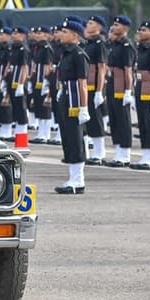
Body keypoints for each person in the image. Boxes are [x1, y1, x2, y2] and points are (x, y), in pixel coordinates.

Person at [54, 20, 90, 194]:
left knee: (75, 139)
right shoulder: (65, 53)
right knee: (67, 138)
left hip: (75, 102)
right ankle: (72, 177)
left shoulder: (78, 54)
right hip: (66, 98)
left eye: (65, 31)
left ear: (75, 35)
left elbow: (82, 84)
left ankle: (78, 180)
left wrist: (84, 108)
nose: (61, 34)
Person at [104, 16, 136, 167]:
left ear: (125, 28)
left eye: (117, 25)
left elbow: (128, 71)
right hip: (112, 83)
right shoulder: (114, 45)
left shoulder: (126, 46)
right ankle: (118, 152)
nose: (114, 27)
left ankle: (125, 154)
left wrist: (128, 91)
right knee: (114, 118)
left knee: (123, 119)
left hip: (121, 84)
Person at [130, 21, 150, 169]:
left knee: (149, 121)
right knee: (142, 121)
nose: (140, 32)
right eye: (139, 30)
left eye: (144, 30)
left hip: (148, 89)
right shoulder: (140, 49)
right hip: (140, 87)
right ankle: (146, 154)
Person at [83, 16, 109, 165]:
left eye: (91, 23)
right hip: (87, 85)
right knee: (90, 120)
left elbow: (102, 68)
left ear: (99, 26)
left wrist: (100, 91)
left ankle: (99, 152)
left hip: (95, 87)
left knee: (97, 119)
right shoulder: (89, 43)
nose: (88, 24)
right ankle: (92, 152)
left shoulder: (100, 44)